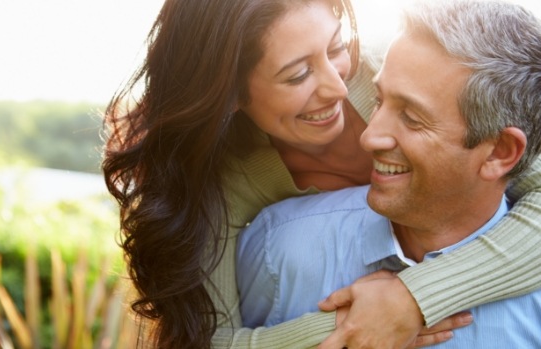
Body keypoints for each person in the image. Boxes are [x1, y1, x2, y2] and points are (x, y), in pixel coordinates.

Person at [100, 0, 541, 347]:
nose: (336, 85)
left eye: (335, 48)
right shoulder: (225, 183)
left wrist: (415, 299)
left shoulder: (401, 77)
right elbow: (206, 341)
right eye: (298, 75)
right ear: (231, 93)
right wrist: (349, 327)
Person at [238, 1, 541, 347]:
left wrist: (416, 297)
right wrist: (343, 330)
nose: (368, 137)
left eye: (412, 118)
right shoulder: (275, 249)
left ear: (500, 152)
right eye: (379, 101)